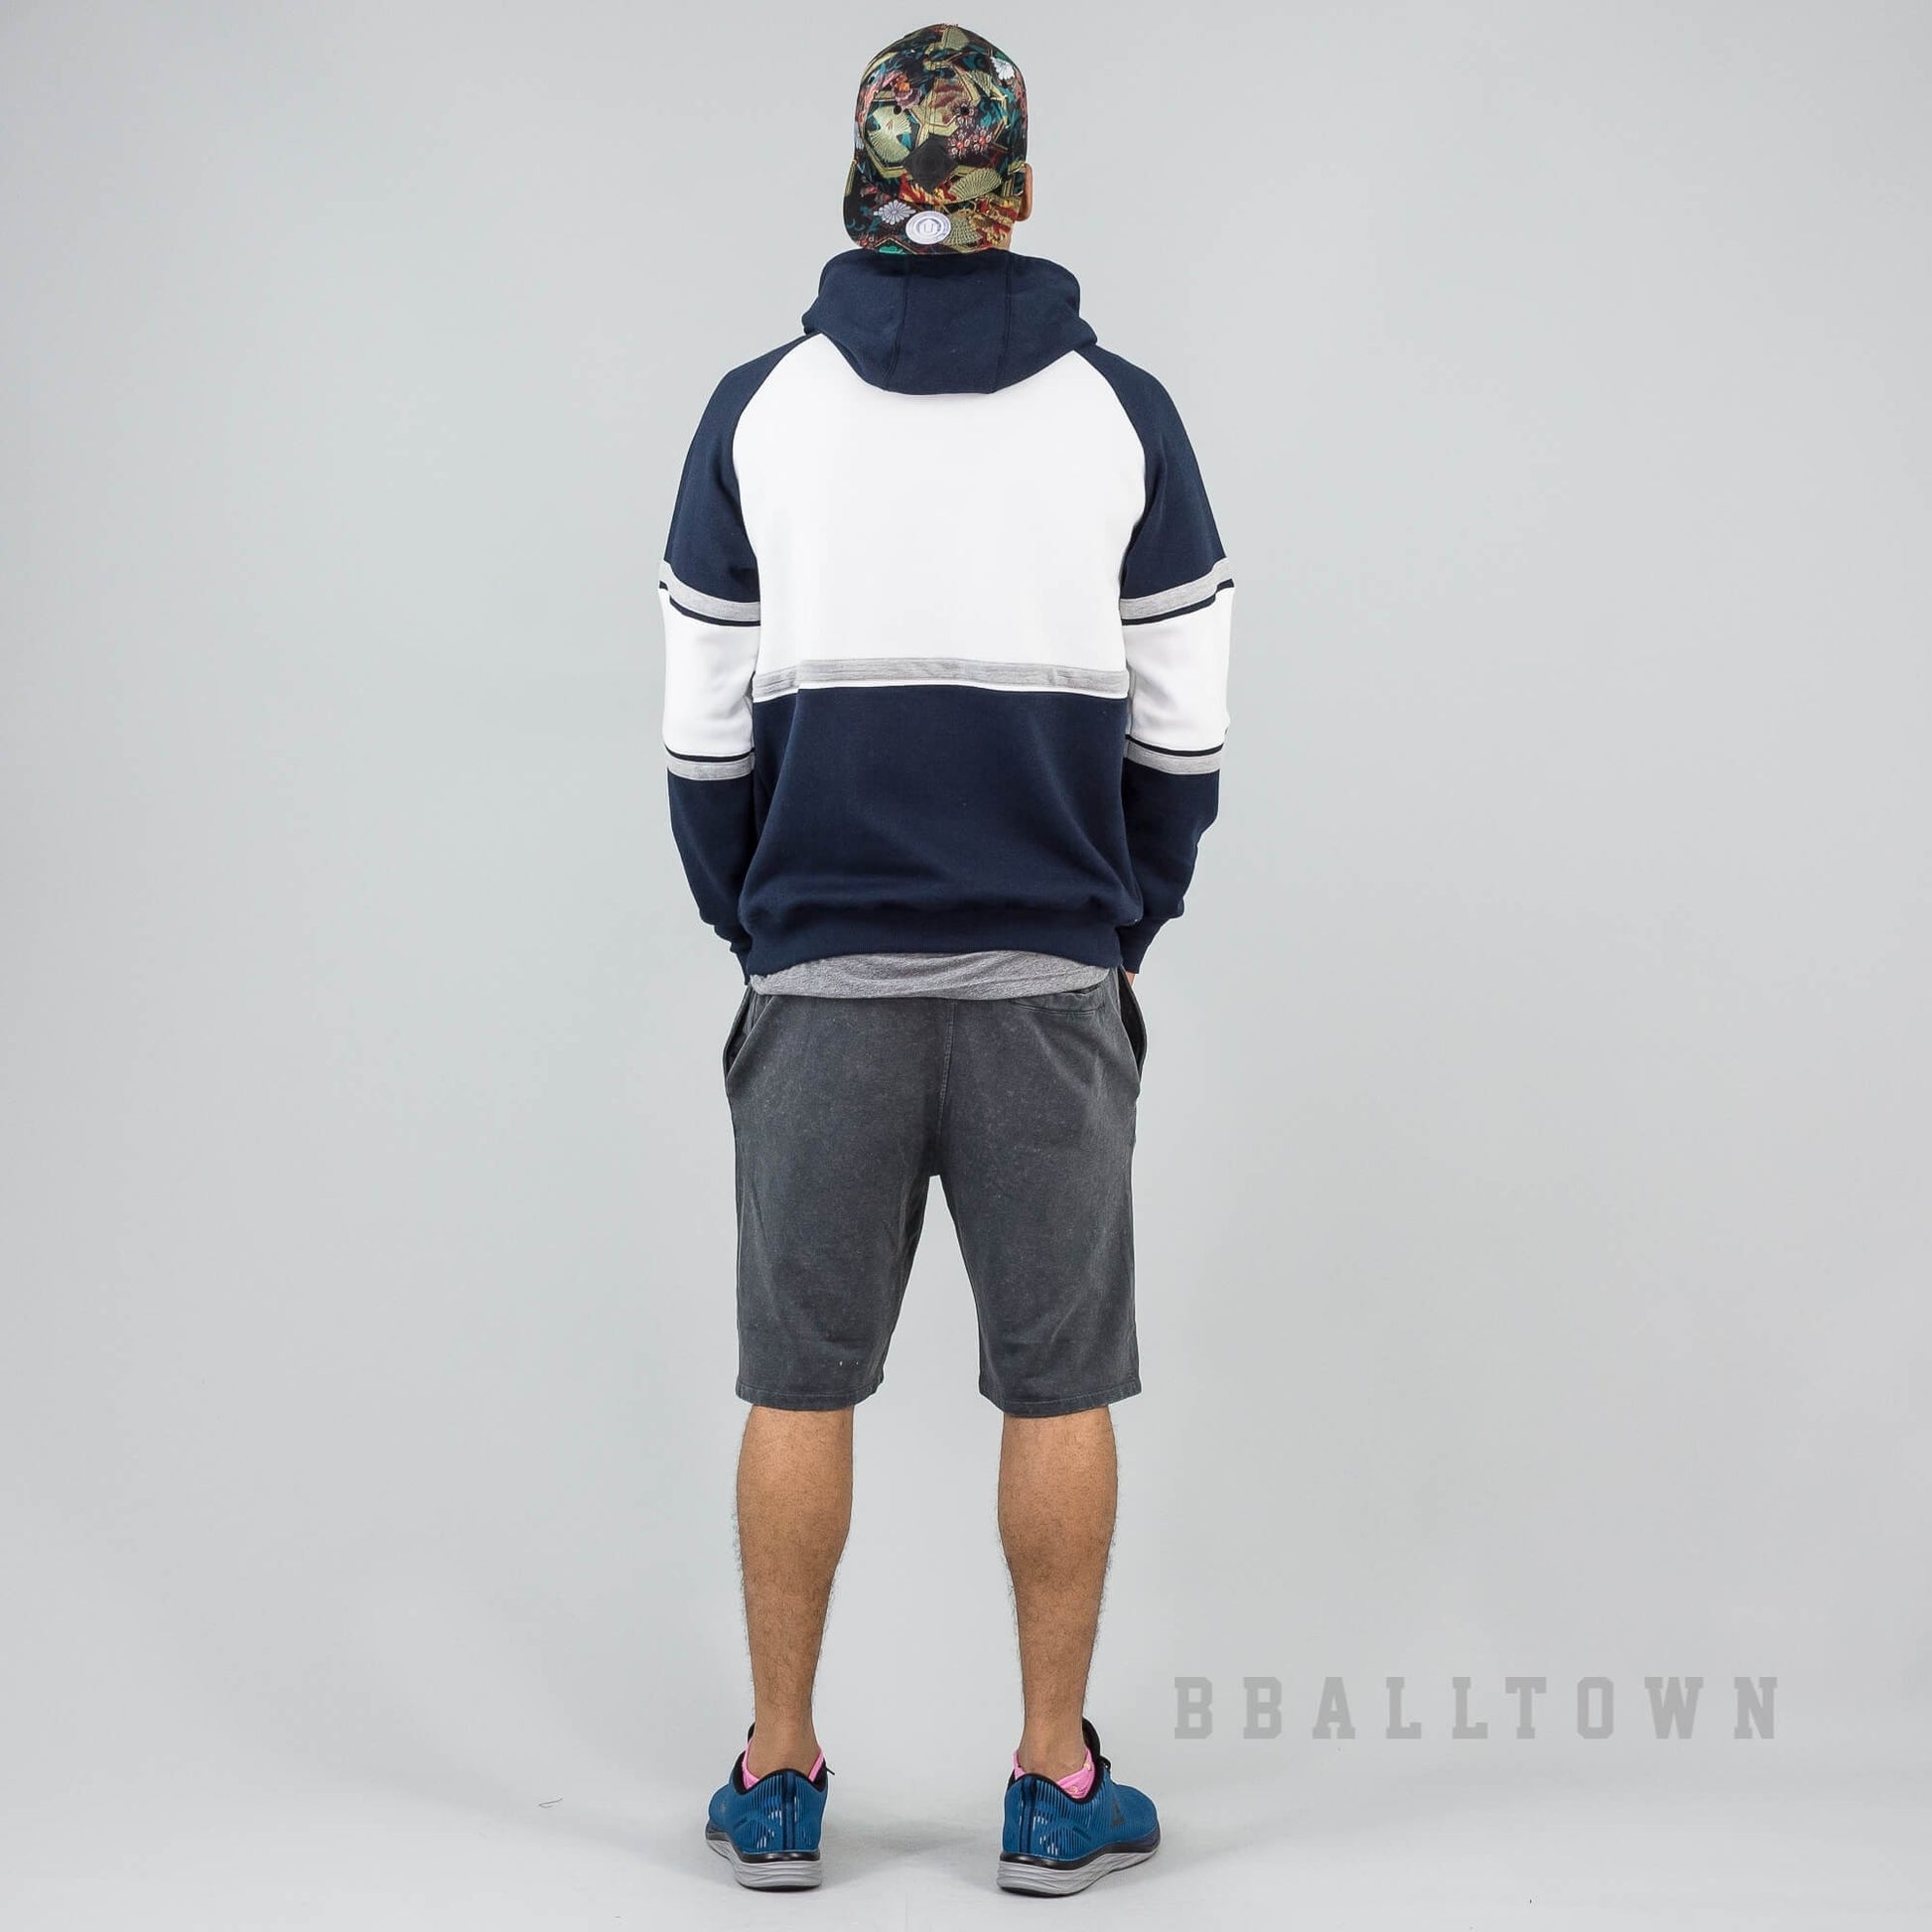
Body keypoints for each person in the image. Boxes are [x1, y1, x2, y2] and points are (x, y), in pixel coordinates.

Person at [659, 23, 1232, 1897]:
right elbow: (1181, 736)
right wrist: (1112, 917)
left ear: (859, 187)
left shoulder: (756, 411)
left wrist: (766, 923)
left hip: (817, 972)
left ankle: (777, 1777)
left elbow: (702, 739)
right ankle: (1053, 1783)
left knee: (795, 1382)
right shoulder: (1122, 415)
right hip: (1047, 979)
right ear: (1020, 192)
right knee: (1058, 1387)